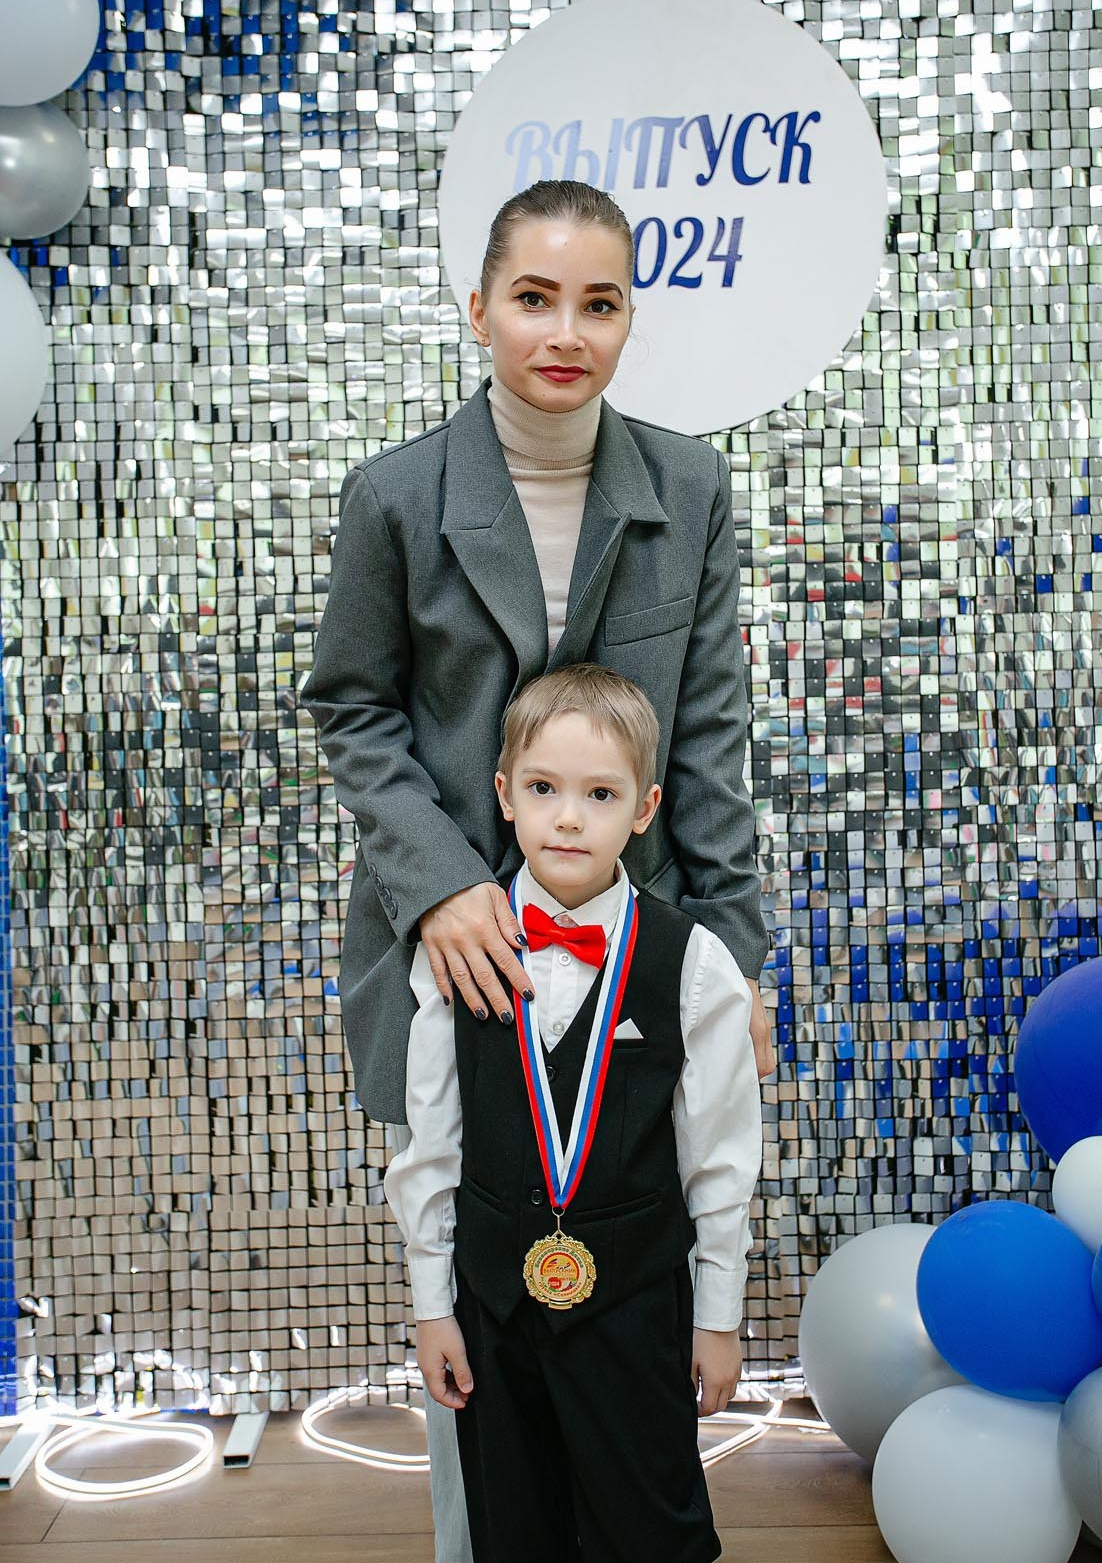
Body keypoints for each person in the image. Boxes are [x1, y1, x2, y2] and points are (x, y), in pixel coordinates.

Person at [301, 179, 771, 1561]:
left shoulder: (686, 486)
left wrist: (731, 957)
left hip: (631, 961)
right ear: (481, 309)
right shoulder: (394, 496)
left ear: (628, 319)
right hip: (457, 951)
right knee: (478, 1311)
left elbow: (708, 736)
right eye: (534, 295)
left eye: (600, 301)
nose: (565, 329)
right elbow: (352, 708)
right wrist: (442, 882)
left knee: (628, 1295)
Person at [385, 664, 763, 1562]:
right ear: (503, 796)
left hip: (636, 1307)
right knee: (516, 1532)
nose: (566, 816)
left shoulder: (695, 962)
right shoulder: (457, 950)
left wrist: (716, 1319)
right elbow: (431, 1146)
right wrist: (433, 1305)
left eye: (598, 794)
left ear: (643, 808)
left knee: (654, 1530)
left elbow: (718, 1160)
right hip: (493, 1306)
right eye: (544, 789)